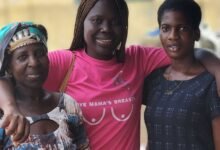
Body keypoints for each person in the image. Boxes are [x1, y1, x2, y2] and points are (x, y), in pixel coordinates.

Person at [0, 0, 220, 149]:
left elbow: (187, 51)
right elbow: (6, 76)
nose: (106, 28)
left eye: (115, 22)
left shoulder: (137, 59)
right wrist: (10, 108)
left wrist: (217, 69)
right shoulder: (64, 62)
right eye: (97, 21)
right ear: (82, 23)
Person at [143, 0, 220, 149]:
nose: (173, 36)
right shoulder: (154, 80)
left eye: (182, 28)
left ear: (196, 33)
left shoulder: (210, 84)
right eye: (165, 28)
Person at [0, 22, 89, 149]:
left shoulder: (67, 104)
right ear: (9, 67)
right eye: (23, 57)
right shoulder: (5, 115)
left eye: (40, 53)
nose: (34, 62)